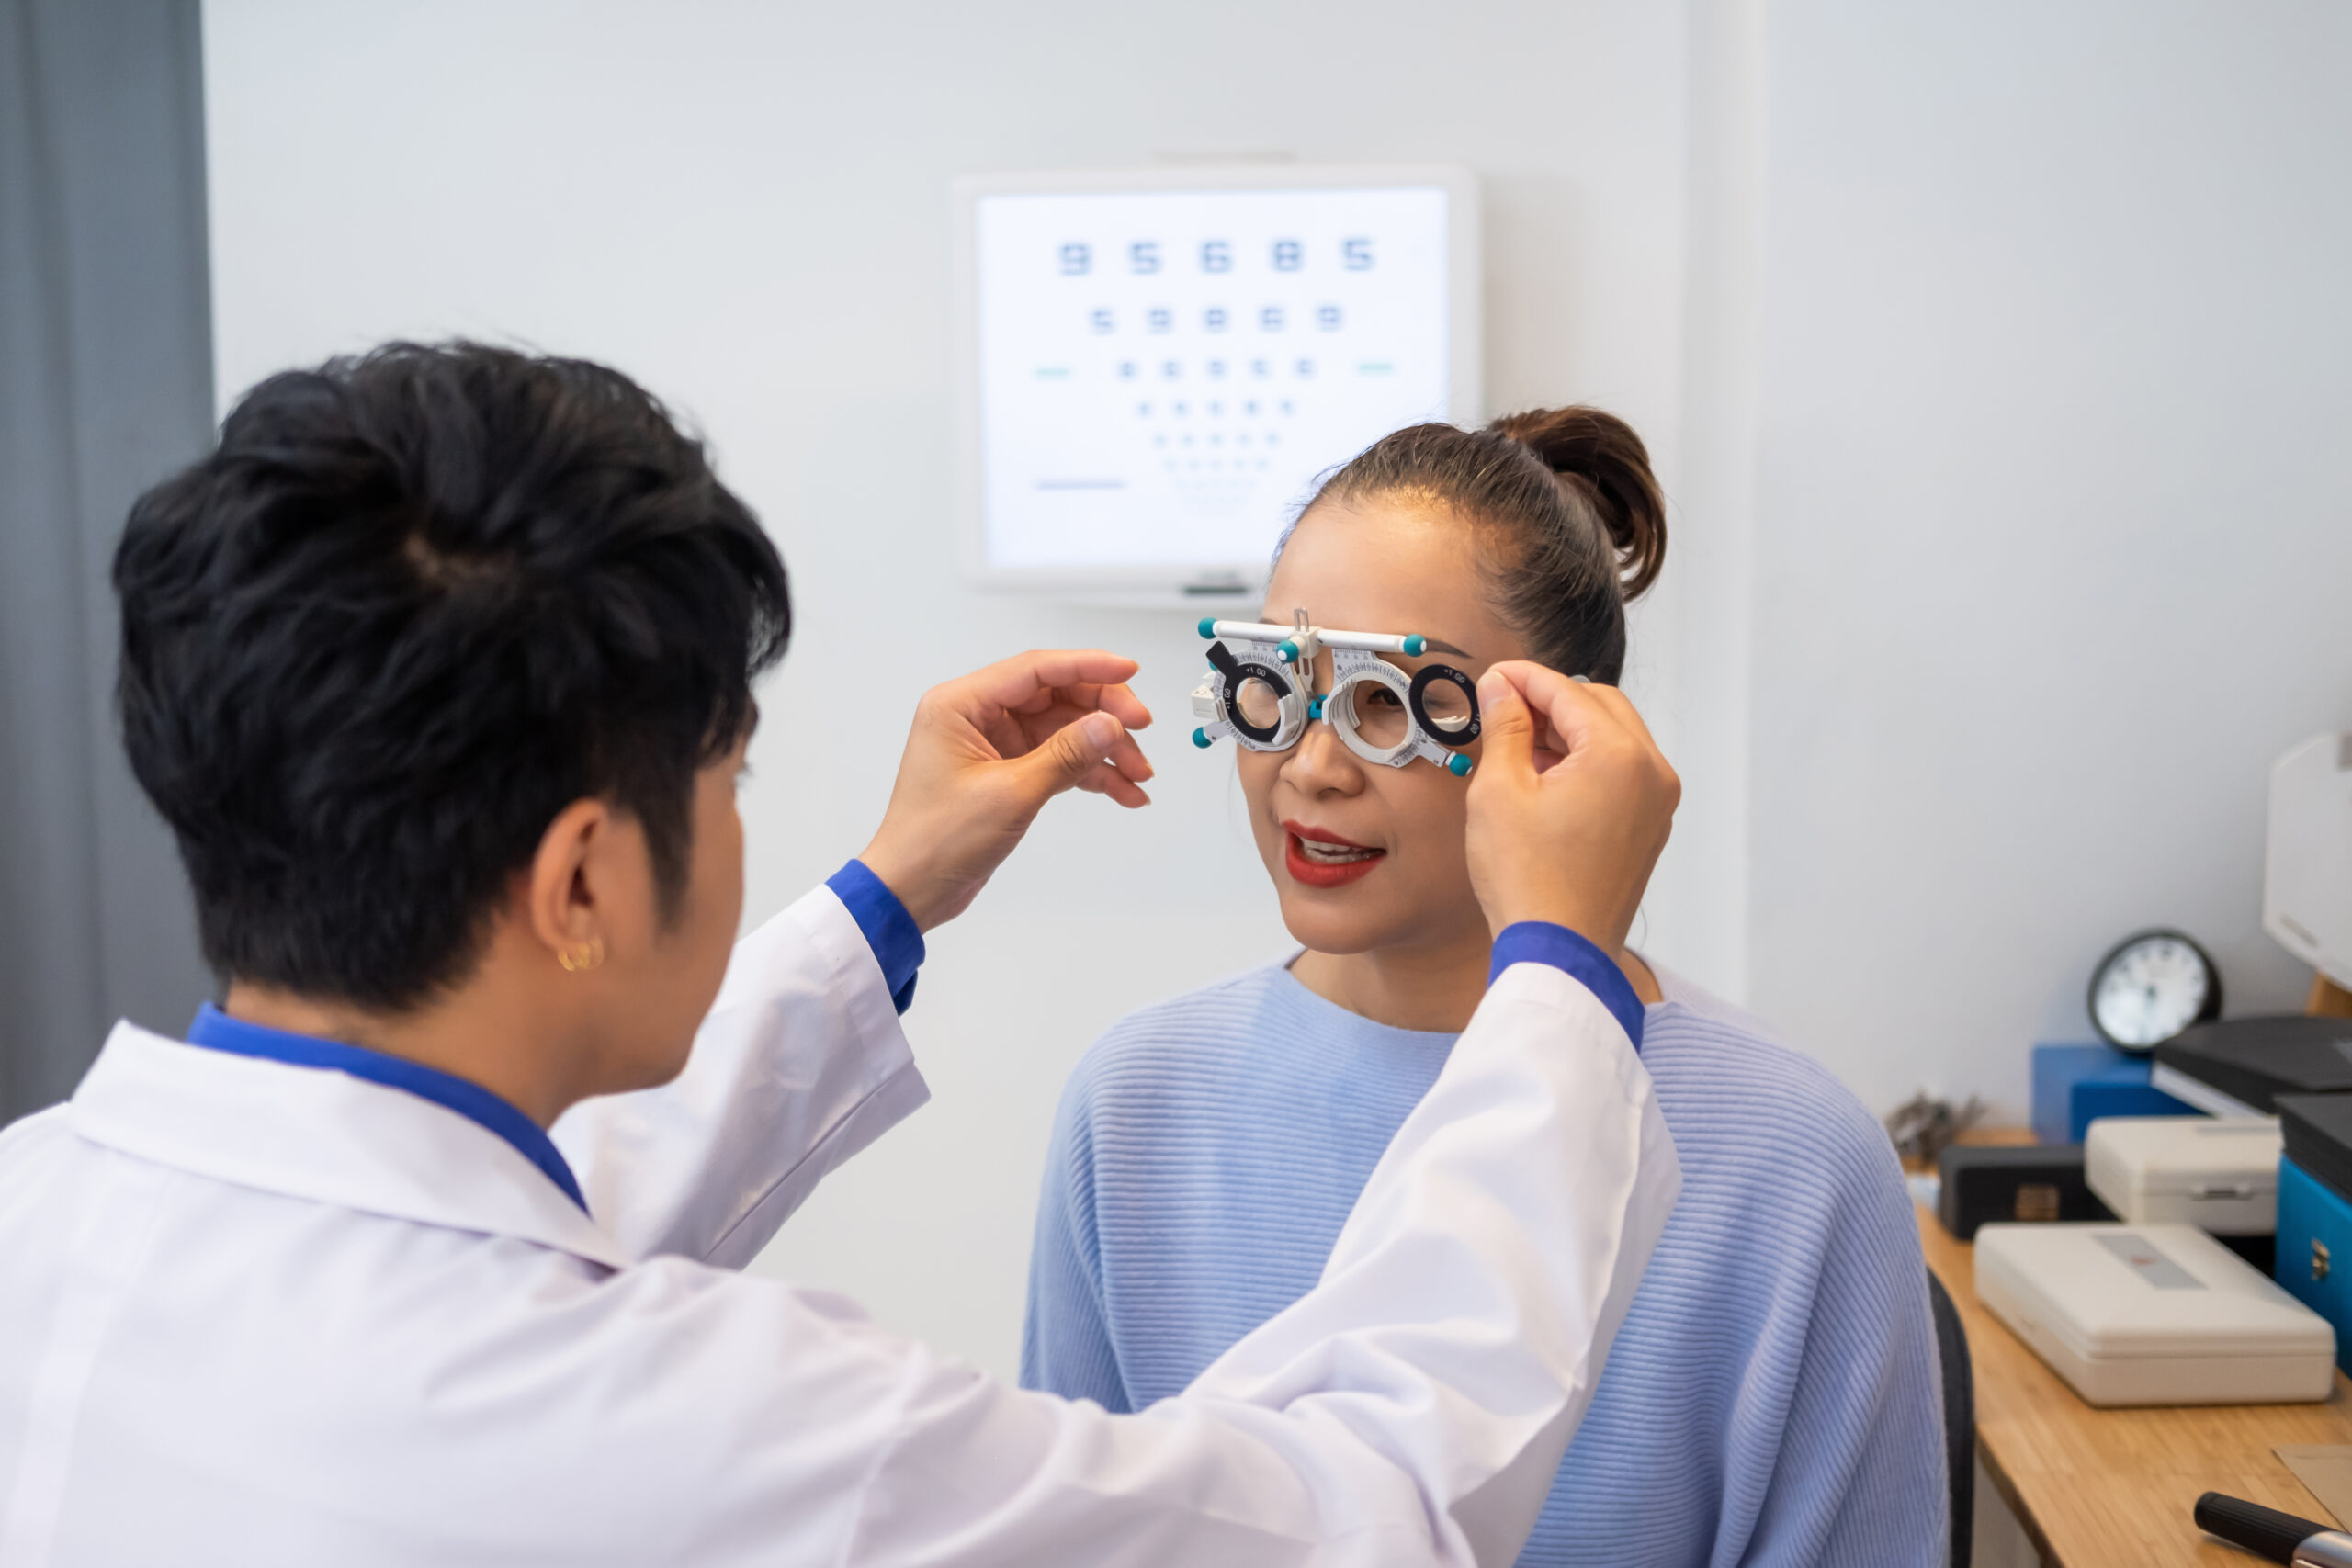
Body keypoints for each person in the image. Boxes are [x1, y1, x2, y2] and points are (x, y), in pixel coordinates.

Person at [0, 345, 1685, 1567]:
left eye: (1394, 702)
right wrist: (1560, 979)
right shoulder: (734, 1429)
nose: (1321, 758)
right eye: (728, 779)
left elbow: (485, 1208)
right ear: (581, 875)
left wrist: (893, 891)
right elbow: (1358, 1505)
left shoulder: (47, 1211)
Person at [1023, 409, 1945, 1566]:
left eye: (1389, 704)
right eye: (1278, 684)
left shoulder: (1795, 1162)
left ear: (1562, 742)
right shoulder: (1134, 1107)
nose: (1311, 767)